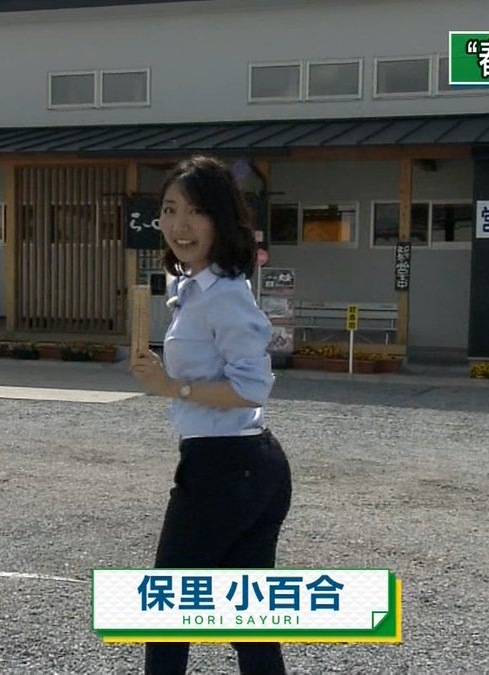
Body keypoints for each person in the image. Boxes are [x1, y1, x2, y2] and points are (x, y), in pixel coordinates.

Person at [130, 156, 292, 675]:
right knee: (250, 626)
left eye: (196, 211)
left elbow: (252, 387)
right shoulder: (195, 288)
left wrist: (171, 385)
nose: (180, 224)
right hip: (242, 464)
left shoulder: (223, 295)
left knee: (166, 615)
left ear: (221, 220)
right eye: (169, 209)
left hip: (225, 468)